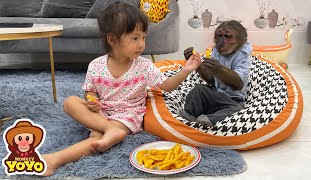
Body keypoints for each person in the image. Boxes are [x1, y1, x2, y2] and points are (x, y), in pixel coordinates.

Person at [41, 1, 201, 176]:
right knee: (70, 102)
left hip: (127, 115)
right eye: (135, 38)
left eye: (143, 38)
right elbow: (90, 91)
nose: (141, 44)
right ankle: (110, 130)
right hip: (102, 111)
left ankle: (54, 159)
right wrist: (91, 100)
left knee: (96, 139)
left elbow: (166, 86)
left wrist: (186, 70)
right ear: (112, 39)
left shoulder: (144, 66)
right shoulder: (96, 65)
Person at [181, 20, 252, 127]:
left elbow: (238, 84)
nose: (221, 42)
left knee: (238, 109)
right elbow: (210, 80)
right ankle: (188, 117)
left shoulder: (242, 55)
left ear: (241, 40)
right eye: (219, 36)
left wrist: (219, 70)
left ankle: (209, 119)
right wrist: (198, 65)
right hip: (214, 93)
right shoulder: (216, 51)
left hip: (231, 101)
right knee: (199, 89)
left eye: (227, 37)